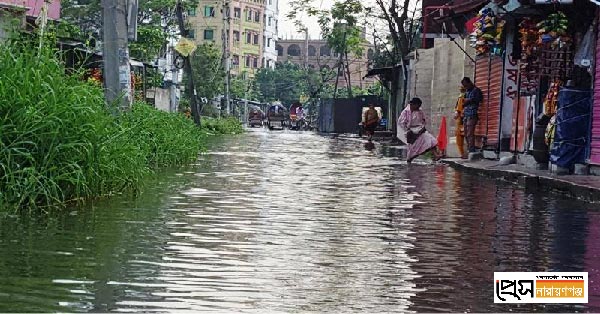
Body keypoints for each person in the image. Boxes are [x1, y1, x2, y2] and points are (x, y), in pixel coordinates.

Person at [398, 97, 442, 163]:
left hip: (420, 129)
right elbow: (401, 123)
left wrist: (422, 127)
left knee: (431, 140)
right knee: (412, 151)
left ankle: (436, 155)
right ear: (412, 104)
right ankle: (410, 160)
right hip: (411, 131)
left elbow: (424, 120)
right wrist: (408, 131)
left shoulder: (420, 111)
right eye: (417, 105)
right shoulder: (405, 112)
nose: (418, 107)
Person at [461, 77, 483, 153]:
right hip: (466, 115)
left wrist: (469, 100)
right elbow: (463, 103)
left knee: (470, 133)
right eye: (464, 86)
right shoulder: (467, 92)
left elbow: (479, 100)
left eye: (466, 85)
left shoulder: (476, 90)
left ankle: (471, 150)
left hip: (472, 114)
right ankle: (469, 148)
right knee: (466, 133)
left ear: (470, 83)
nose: (466, 87)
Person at [454, 86, 467, 158]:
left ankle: (463, 153)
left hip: (462, 118)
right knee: (461, 136)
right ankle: (462, 153)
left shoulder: (462, 97)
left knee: (461, 136)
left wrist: (457, 113)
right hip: (462, 118)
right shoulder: (462, 96)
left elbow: (458, 109)